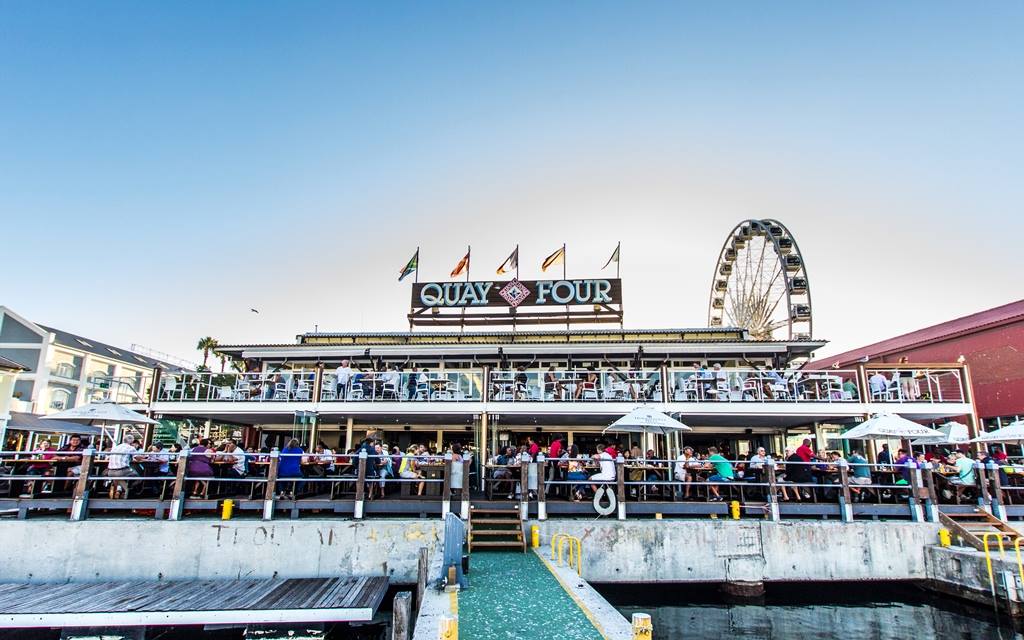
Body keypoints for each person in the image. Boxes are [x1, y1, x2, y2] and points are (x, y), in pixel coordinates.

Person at [105, 435, 141, 499]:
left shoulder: (116, 447)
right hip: (121, 471)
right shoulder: (130, 448)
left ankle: (122, 490)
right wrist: (144, 457)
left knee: (121, 478)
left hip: (110, 472)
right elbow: (138, 458)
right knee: (139, 478)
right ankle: (129, 489)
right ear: (131, 441)